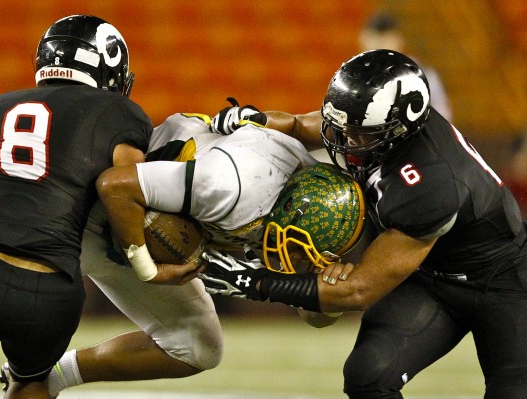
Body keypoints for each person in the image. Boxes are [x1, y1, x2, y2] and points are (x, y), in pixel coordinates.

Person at [199, 49, 527, 398]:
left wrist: (252, 281)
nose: (348, 141)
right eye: (346, 128)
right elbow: (298, 125)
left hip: (505, 282)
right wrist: (254, 120)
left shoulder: (433, 181)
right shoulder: (375, 129)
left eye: (361, 133)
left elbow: (359, 291)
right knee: (368, 375)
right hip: (431, 277)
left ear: (402, 128)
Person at [21, 105, 365, 397]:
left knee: (197, 347)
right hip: (93, 214)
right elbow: (115, 185)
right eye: (307, 252)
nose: (303, 261)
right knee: (9, 308)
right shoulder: (235, 188)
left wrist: (329, 293)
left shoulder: (296, 200)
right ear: (289, 213)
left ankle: (52, 376)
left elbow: (311, 313)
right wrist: (146, 268)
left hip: (146, 209)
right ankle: (27, 375)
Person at [0, 14, 157, 399]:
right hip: (55, 294)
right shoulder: (121, 116)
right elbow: (131, 193)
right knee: (30, 383)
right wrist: (147, 264)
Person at [359, 12, 452, 121]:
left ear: (399, 39)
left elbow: (443, 113)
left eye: (385, 38)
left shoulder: (418, 72)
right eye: (373, 37)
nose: (378, 44)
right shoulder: (357, 74)